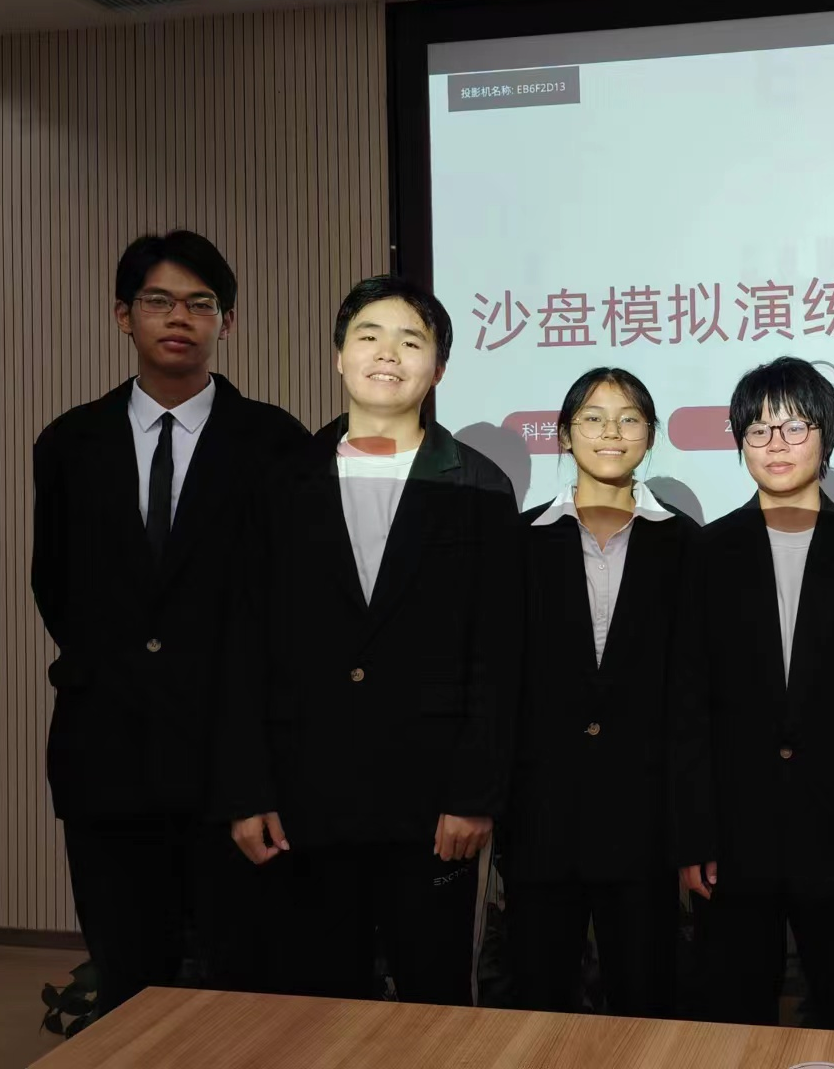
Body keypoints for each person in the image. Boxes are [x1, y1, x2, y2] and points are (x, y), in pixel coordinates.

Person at [216, 275, 522, 1005]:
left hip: (433, 803)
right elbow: (244, 644)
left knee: (434, 1002)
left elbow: (499, 654)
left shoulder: (479, 485)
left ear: (438, 369)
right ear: (339, 356)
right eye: (369, 336)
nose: (388, 354)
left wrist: (474, 794)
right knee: (318, 1003)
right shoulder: (280, 481)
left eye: (411, 341)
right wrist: (246, 790)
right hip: (305, 795)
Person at [31, 232, 308, 1014]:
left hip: (232, 767)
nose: (178, 317)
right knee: (129, 989)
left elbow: (287, 605)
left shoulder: (275, 443)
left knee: (244, 992)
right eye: (158, 301)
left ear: (227, 322)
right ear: (124, 315)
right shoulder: (70, 443)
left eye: (199, 303)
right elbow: (56, 587)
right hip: (107, 757)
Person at [673, 358, 834, 1031]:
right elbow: (687, 705)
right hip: (732, 840)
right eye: (758, 429)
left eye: (795, 426)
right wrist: (693, 834)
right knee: (731, 1020)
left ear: (826, 436)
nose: (776, 444)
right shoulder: (705, 552)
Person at [503, 368, 694, 1016]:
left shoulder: (688, 544)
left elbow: (694, 696)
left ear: (651, 436)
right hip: (540, 816)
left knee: (646, 1004)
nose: (611, 431)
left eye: (629, 418)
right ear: (562, 434)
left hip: (645, 821)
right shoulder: (519, 540)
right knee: (538, 1005)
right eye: (592, 417)